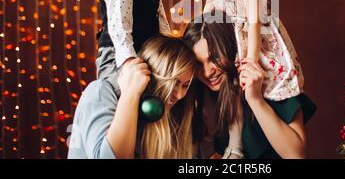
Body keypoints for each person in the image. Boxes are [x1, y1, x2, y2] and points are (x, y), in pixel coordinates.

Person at [184, 12, 317, 159]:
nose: (208, 72)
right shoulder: (198, 94)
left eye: (215, 58)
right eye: (198, 64)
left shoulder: (272, 80)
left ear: (231, 47)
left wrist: (256, 100)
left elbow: (295, 155)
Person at [68, 36, 199, 159]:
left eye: (185, 85)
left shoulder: (167, 116)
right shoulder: (100, 91)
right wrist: (130, 94)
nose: (180, 94)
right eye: (174, 83)